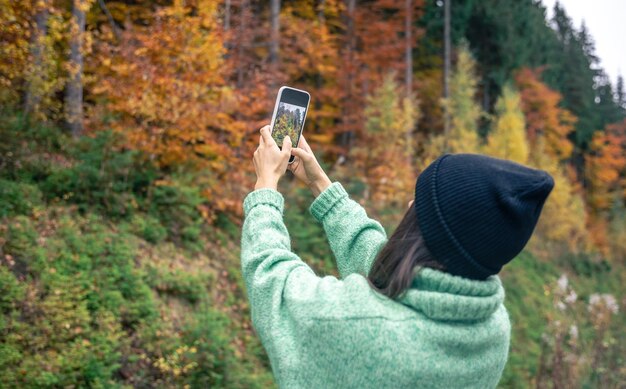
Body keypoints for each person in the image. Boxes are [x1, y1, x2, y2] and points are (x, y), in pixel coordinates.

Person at [241, 125, 554, 389]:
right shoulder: (493, 331)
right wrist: (319, 183)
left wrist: (266, 188)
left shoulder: (362, 327)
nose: (408, 203)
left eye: (419, 205)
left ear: (430, 235)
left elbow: (273, 282)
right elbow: (387, 263)